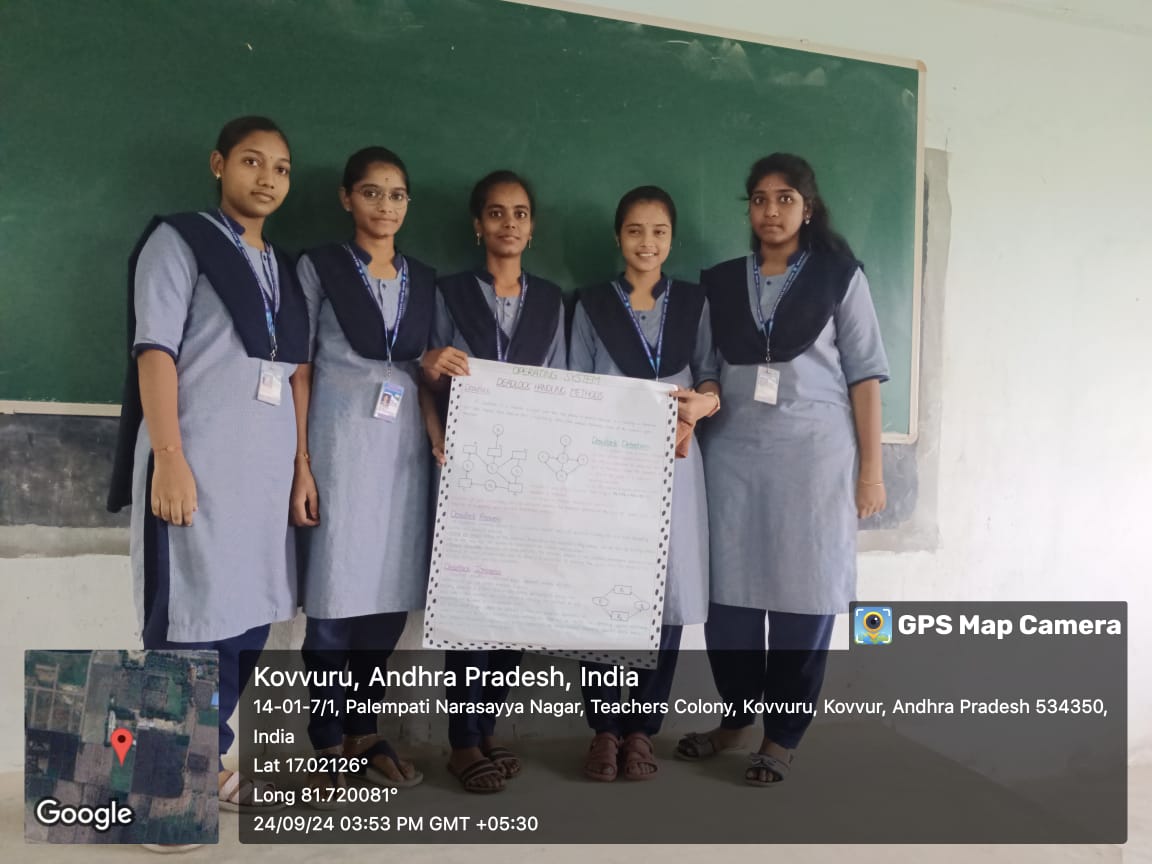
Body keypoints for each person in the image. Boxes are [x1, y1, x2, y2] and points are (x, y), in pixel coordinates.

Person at [107, 115, 308, 812]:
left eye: (281, 168)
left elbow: (291, 376)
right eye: (252, 161)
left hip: (262, 480)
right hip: (195, 465)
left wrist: (299, 469)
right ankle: (159, 790)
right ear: (219, 164)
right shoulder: (179, 240)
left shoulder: (283, 267)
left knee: (246, 623)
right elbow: (155, 352)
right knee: (188, 625)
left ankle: (204, 760)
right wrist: (168, 458)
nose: (268, 178)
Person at [676, 153, 888, 785]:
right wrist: (704, 396)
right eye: (760, 199)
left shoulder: (840, 277)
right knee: (730, 601)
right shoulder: (720, 282)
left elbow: (865, 377)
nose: (771, 211)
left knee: (804, 598)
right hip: (733, 458)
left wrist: (871, 472)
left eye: (785, 198)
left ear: (808, 208)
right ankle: (736, 721)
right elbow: (706, 366)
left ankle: (782, 736)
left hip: (816, 461)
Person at [291, 147, 436, 799]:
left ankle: (364, 733)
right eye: (372, 192)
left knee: (386, 601)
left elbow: (422, 373)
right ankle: (326, 741)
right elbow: (300, 368)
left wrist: (436, 438)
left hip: (402, 456)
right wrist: (301, 463)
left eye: (397, 194)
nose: (386, 205)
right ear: (347, 198)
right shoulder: (319, 267)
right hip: (338, 447)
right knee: (334, 601)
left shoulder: (423, 279)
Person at [421, 169, 566, 793]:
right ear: (478, 224)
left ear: (532, 228)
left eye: (521, 213)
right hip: (468, 471)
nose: (509, 223)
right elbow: (424, 371)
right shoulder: (447, 292)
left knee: (517, 606)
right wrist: (435, 411)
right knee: (472, 604)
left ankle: (484, 728)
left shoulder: (553, 301)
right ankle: (461, 742)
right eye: (497, 213)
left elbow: (568, 389)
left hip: (531, 475)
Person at [569, 186, 720, 781]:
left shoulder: (694, 303)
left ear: (671, 240)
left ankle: (641, 730)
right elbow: (577, 385)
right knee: (605, 591)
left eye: (659, 231)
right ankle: (604, 730)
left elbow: (710, 375)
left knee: (667, 596)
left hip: (675, 462)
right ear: (618, 237)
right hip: (607, 464)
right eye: (635, 230)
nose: (647, 242)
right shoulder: (590, 305)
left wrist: (703, 403)